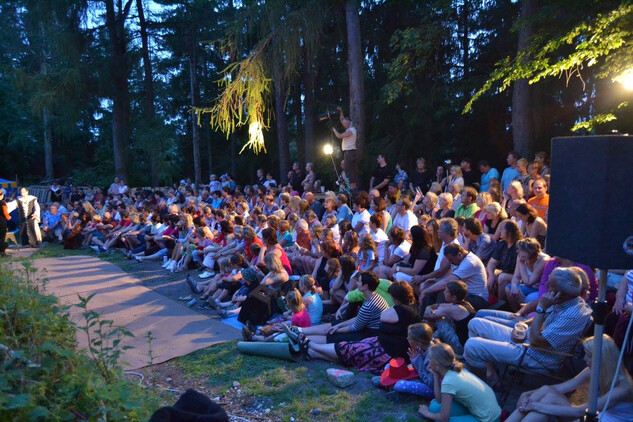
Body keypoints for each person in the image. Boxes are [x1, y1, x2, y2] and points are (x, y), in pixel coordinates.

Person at [464, 267, 593, 384]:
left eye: (550, 285)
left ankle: (481, 385)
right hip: (526, 340)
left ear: (561, 293)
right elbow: (536, 325)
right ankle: (490, 373)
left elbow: (536, 341)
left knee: (472, 345)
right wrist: (523, 325)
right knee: (475, 323)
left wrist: (541, 308)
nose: (546, 285)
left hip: (536, 355)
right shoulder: (562, 299)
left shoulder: (573, 315)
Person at [507, 335, 633, 422]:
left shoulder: (623, 388)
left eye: (589, 356)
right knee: (547, 392)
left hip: (596, 418)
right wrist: (527, 394)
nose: (584, 359)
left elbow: (581, 411)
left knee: (543, 406)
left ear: (602, 359)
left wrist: (534, 405)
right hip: (590, 416)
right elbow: (559, 388)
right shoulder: (593, 370)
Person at [418, 342, 502, 422]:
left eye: (429, 359)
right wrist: (435, 376)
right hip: (487, 410)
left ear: (436, 364)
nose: (428, 362)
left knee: (438, 420)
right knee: (434, 407)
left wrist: (427, 413)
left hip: (488, 419)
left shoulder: (448, 381)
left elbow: (444, 418)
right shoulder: (458, 369)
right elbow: (439, 400)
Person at [332, 107, 358, 190]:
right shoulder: (350, 128)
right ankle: (352, 186)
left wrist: (334, 130)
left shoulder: (351, 130)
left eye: (344, 122)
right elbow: (342, 119)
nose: (343, 123)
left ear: (349, 122)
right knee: (348, 169)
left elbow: (340, 136)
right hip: (348, 152)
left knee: (349, 170)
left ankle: (353, 187)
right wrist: (341, 112)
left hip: (350, 152)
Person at [0, 189, 11, 257]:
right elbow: (5, 213)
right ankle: (3, 253)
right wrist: (9, 217)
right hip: (1, 222)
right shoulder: (2, 203)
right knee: (2, 238)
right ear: (2, 195)